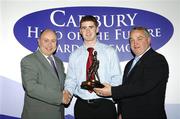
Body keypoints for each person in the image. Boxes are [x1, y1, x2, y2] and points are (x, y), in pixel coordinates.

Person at [94, 26, 169, 119]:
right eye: (131, 40)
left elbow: (143, 86)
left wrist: (112, 91)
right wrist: (121, 113)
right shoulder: (129, 64)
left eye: (139, 38)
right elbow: (126, 89)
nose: (135, 43)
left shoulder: (157, 59)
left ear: (149, 40)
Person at [63, 15, 122, 119]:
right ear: (80, 31)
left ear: (97, 29)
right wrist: (67, 92)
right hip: (82, 106)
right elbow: (71, 80)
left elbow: (117, 78)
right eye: (84, 28)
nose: (88, 31)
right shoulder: (74, 55)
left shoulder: (110, 52)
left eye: (91, 27)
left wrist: (111, 93)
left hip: (105, 105)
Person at [20, 29, 66, 119]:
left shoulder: (59, 62)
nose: (50, 44)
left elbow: (65, 81)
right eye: (46, 40)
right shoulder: (29, 60)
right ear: (39, 41)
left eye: (53, 41)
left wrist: (86, 84)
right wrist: (60, 97)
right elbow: (31, 87)